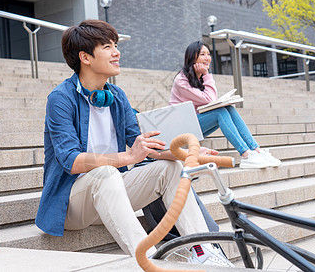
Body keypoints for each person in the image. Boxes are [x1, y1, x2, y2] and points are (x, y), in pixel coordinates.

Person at [35, 20, 233, 267]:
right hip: (71, 203)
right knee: (105, 173)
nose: (117, 52)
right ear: (85, 57)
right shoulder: (60, 99)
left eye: (115, 45)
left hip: (112, 194)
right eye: (107, 47)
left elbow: (145, 144)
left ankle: (204, 253)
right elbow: (71, 160)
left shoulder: (116, 96)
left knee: (170, 169)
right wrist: (128, 158)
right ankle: (150, 261)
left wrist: (187, 153)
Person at [170, 41, 281, 169]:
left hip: (195, 123)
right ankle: (245, 155)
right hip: (181, 129)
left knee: (227, 108)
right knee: (220, 112)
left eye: (208, 54)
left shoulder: (199, 78)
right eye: (202, 54)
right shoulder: (181, 80)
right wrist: (207, 75)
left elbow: (211, 101)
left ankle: (256, 150)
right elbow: (210, 99)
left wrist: (205, 76)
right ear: (192, 57)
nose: (207, 58)